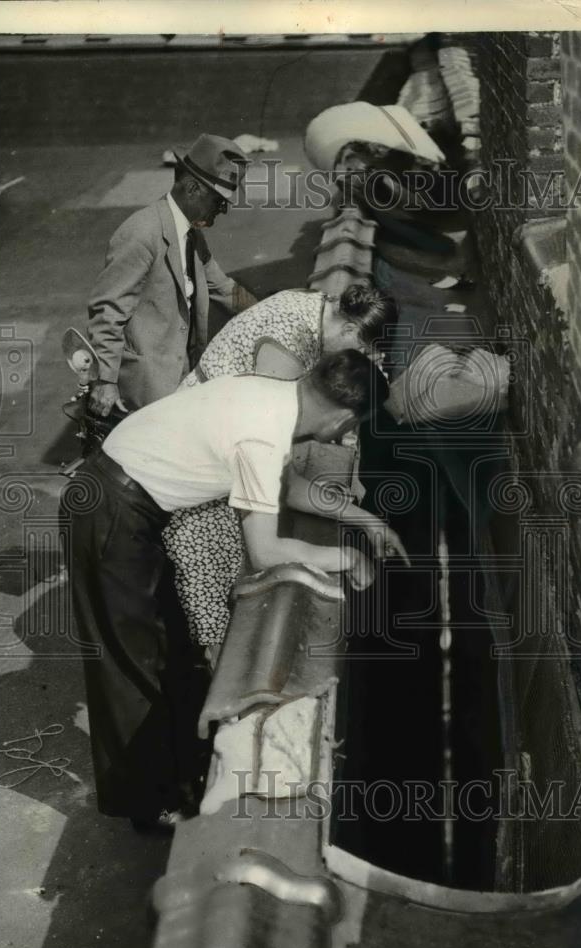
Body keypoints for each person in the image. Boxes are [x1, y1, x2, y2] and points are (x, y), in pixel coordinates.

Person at [60, 349, 387, 833]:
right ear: (342, 415)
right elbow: (266, 551)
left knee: (169, 647)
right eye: (352, 425)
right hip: (111, 511)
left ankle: (181, 772)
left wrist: (360, 517)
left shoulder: (272, 397)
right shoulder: (264, 432)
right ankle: (148, 805)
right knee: (132, 666)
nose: (346, 436)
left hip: (128, 508)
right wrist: (344, 556)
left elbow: (288, 487)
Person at [162, 283, 407, 654]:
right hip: (198, 465)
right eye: (360, 351)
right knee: (214, 611)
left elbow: (278, 472)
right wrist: (350, 549)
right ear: (347, 330)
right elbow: (277, 480)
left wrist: (366, 521)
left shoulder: (315, 309)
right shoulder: (286, 346)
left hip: (212, 445)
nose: (357, 364)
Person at [85, 132, 257, 417]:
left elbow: (224, 288)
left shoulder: (191, 234)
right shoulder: (141, 233)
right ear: (192, 188)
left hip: (182, 375)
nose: (223, 211)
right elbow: (108, 311)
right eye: (219, 201)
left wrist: (269, 312)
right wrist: (105, 380)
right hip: (145, 388)